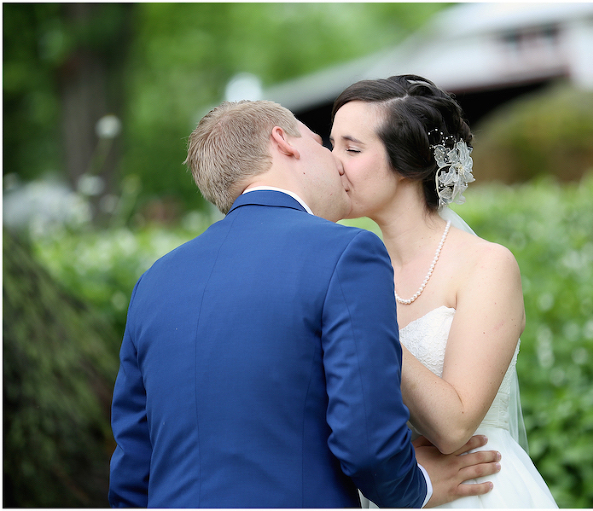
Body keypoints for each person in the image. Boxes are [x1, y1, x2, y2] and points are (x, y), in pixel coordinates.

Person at [108, 100, 503, 508]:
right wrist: (415, 487)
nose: (335, 162)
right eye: (319, 141)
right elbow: (366, 438)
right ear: (284, 142)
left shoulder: (154, 281)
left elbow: (132, 468)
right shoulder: (345, 252)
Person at [330, 75, 558, 508]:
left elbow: (454, 426)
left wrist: (365, 325)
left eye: (352, 148)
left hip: (479, 489)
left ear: (409, 164)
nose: (332, 162)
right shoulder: (352, 270)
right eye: (331, 144)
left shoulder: (486, 265)